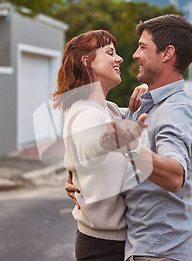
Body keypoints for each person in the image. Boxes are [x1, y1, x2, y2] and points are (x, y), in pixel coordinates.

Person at [66, 14, 192, 261]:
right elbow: (93, 137)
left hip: (164, 252)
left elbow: (176, 176)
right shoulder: (143, 106)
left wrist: (131, 147)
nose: (132, 55)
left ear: (167, 54)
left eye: (143, 47)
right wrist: (79, 175)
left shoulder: (174, 110)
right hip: (144, 248)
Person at [53, 29, 148, 261]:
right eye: (110, 52)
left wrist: (149, 90)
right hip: (102, 247)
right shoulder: (84, 112)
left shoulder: (109, 109)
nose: (120, 59)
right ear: (88, 62)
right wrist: (104, 142)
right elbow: (88, 145)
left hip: (115, 242)